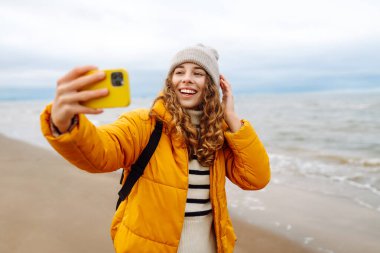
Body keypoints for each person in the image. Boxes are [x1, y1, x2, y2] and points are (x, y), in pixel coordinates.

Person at [40, 44, 270, 253]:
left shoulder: (219, 134)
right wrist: (66, 125)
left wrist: (232, 118)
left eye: (198, 73)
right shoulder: (145, 123)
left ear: (211, 85)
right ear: (170, 80)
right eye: (179, 72)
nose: (187, 78)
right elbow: (100, 153)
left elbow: (255, 178)